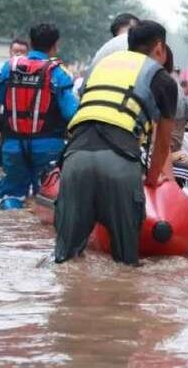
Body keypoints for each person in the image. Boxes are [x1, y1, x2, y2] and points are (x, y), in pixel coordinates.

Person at [54, 20, 177, 265]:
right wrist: (152, 180)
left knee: (66, 260)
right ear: (160, 48)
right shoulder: (162, 79)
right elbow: (163, 143)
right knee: (125, 266)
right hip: (120, 163)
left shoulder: (101, 66)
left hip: (75, 157)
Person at [0, 24, 79, 210]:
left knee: (12, 194)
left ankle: (11, 219)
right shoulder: (58, 73)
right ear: (55, 46)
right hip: (48, 147)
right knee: (46, 197)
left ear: (31, 43)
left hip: (13, 145)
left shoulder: (9, 68)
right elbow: (72, 114)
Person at [0, 39, 30, 167]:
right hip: (4, 117)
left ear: (28, 54)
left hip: (25, 118)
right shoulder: (1, 68)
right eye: (16, 51)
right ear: (10, 52)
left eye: (22, 52)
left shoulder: (33, 71)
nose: (18, 54)